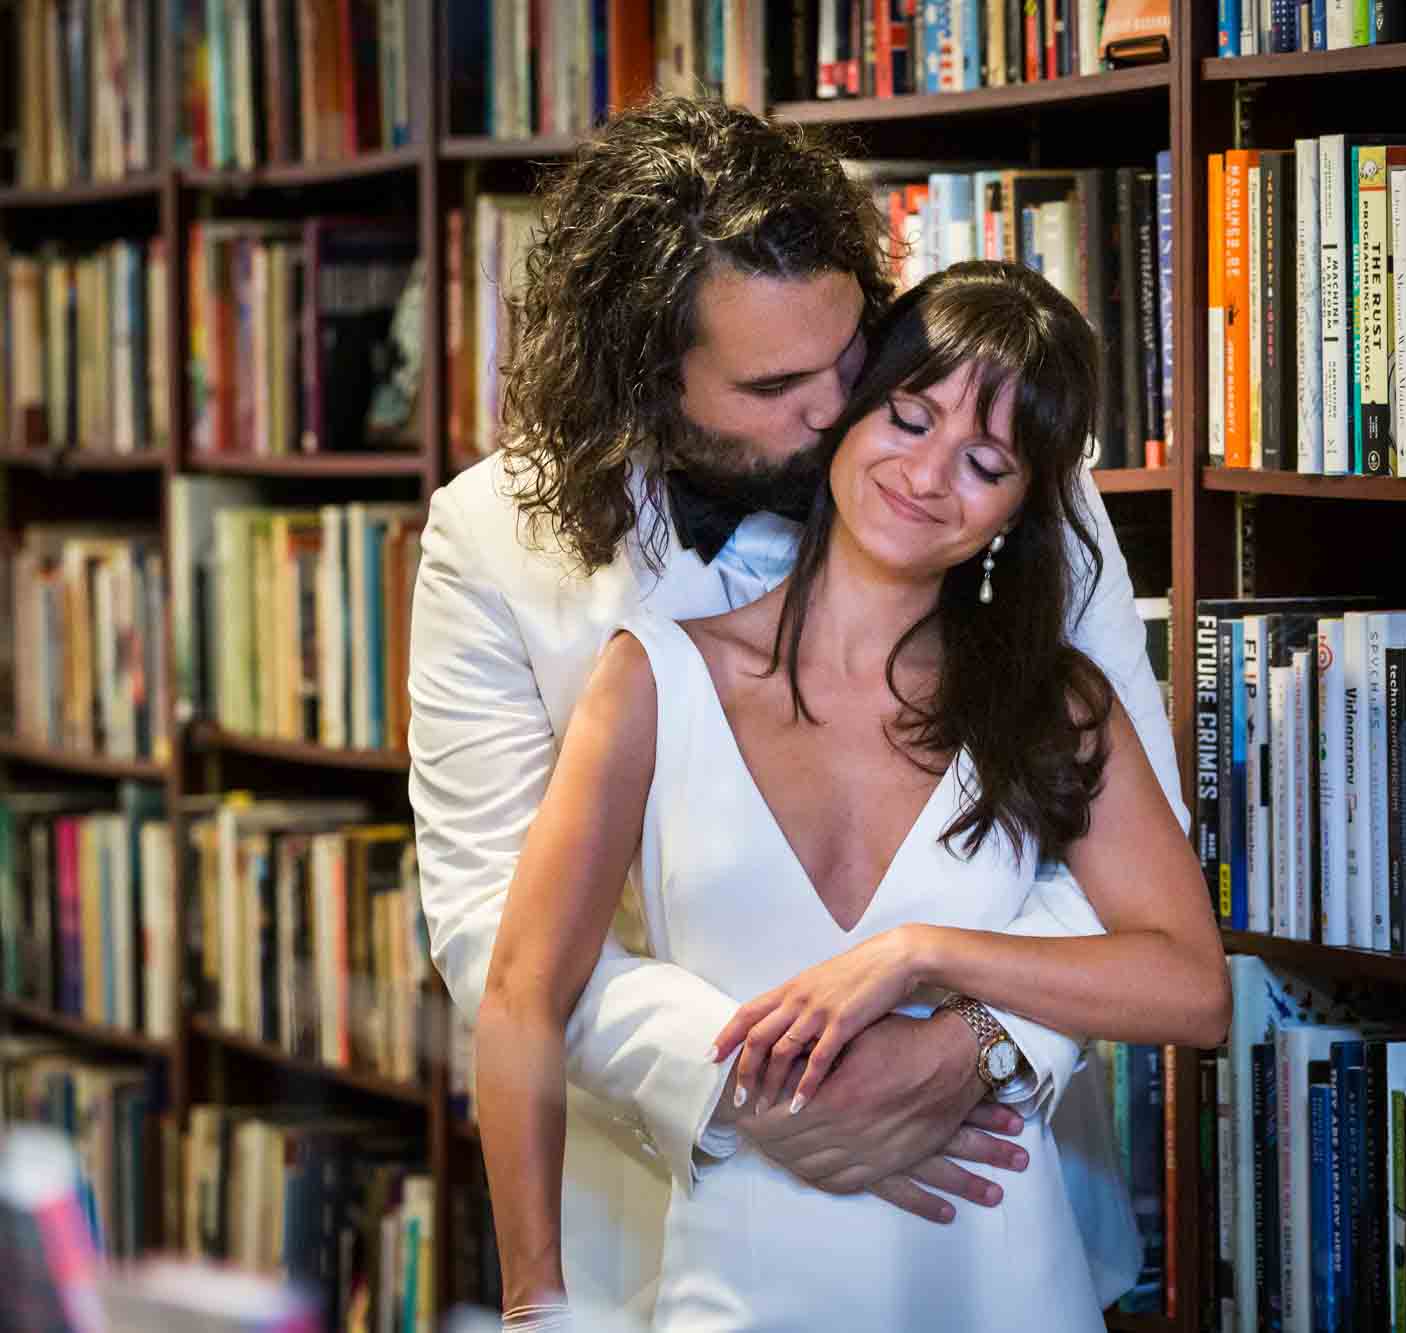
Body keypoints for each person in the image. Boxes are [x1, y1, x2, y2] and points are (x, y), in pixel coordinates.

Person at [406, 97, 1189, 1323]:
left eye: (849, 353)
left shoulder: (983, 457)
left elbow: (1123, 850)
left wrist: (976, 1042)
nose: (838, 409)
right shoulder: (487, 542)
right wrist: (751, 1085)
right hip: (686, 1223)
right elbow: (487, 930)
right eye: (775, 383)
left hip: (989, 1207)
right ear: (645, 382)